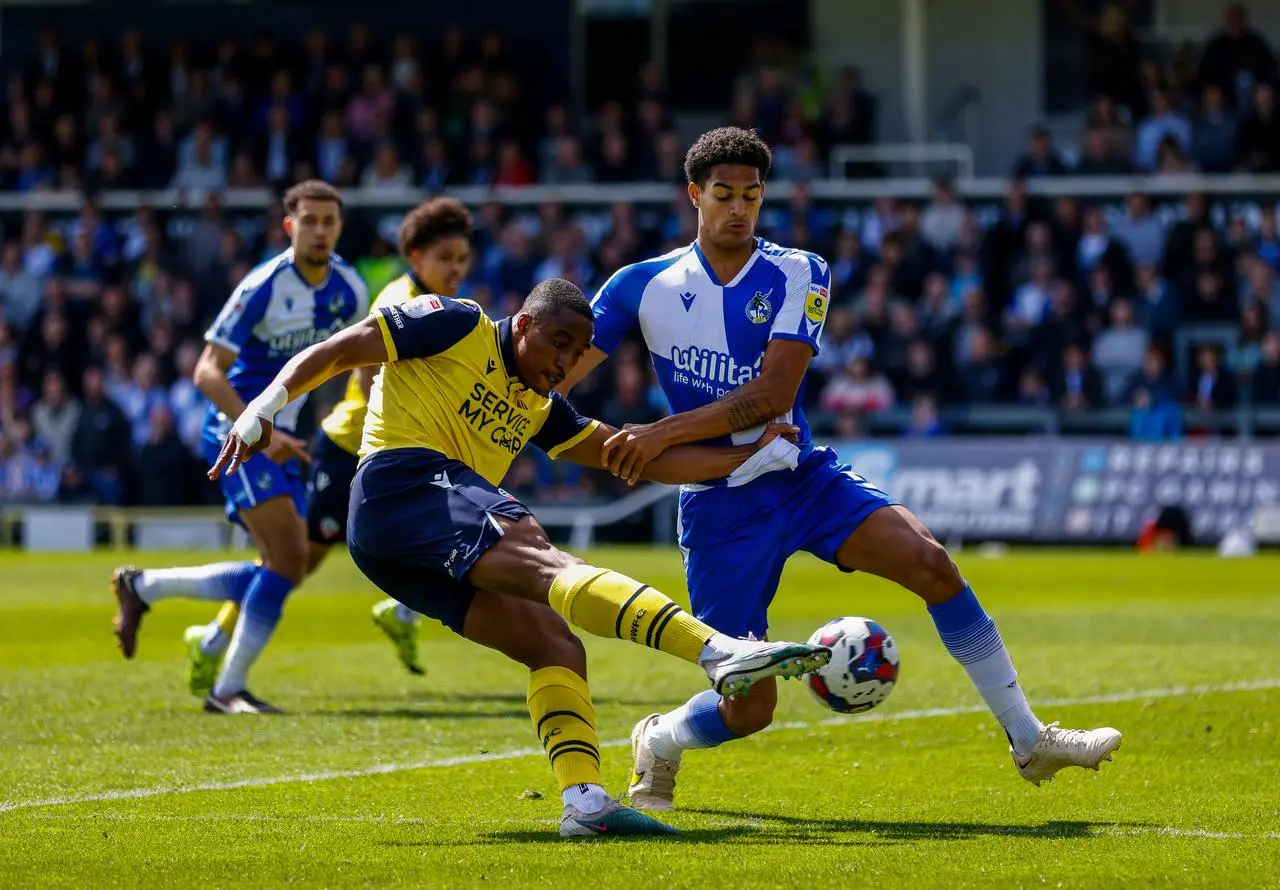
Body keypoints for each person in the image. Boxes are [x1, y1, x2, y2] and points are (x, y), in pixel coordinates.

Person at [558, 126, 1123, 811]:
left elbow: (772, 396)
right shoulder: (640, 286)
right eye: (723, 194)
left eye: (751, 195)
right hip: (718, 508)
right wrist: (560, 423)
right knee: (749, 707)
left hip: (799, 479)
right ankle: (662, 740)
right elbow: (559, 374)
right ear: (693, 196)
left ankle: (1029, 740)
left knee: (931, 563)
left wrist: (657, 434)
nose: (738, 208)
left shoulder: (800, 271)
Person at [207, 277, 831, 836]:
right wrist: (265, 406)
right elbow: (347, 347)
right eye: (558, 343)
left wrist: (751, 459)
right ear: (526, 324)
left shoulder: (540, 407)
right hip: (401, 481)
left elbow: (634, 456)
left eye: (577, 353)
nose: (564, 363)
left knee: (554, 645)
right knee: (540, 553)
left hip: (395, 548)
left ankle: (583, 800)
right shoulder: (458, 322)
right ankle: (717, 652)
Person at [174, 197, 475, 692]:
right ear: (416, 257)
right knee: (291, 562)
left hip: (390, 448)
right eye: (446, 258)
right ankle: (203, 638)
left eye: (463, 260)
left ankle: (400, 610)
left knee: (291, 562)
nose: (456, 269)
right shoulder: (392, 302)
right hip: (352, 447)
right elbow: (365, 374)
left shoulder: (373, 291)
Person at [110, 180, 369, 713]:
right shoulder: (263, 286)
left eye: (330, 221)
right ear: (289, 226)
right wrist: (257, 426)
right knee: (290, 559)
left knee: (282, 564)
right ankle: (227, 689)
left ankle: (146, 588)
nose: (320, 230)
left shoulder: (350, 288)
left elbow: (348, 363)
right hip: (238, 437)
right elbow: (206, 371)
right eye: (310, 220)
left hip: (285, 439)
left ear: (340, 228)